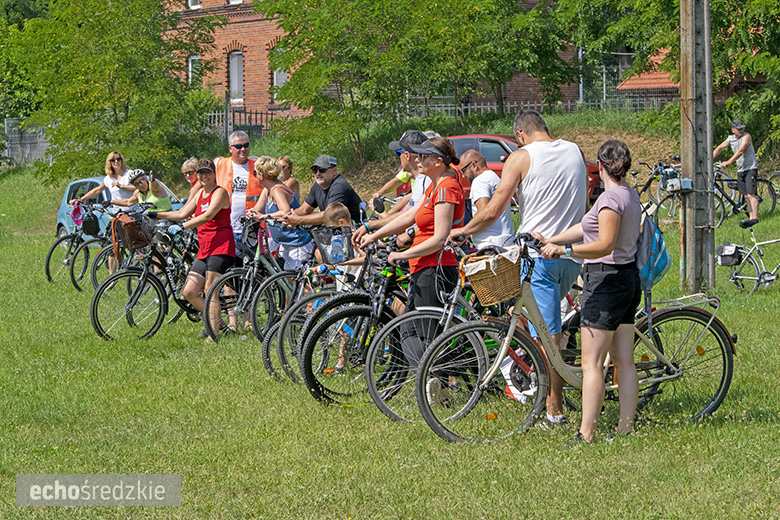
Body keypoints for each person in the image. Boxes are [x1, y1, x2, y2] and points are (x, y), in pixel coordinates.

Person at [447, 109, 588, 428]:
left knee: (547, 339)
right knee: (525, 321)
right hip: (569, 257)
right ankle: (545, 384)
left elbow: (494, 208)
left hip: (540, 258)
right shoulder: (575, 151)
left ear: (520, 135)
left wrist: (463, 231)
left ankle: (554, 412)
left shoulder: (521, 157)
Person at [536, 140, 642, 443]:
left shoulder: (610, 201)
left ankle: (586, 433)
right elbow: (586, 228)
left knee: (591, 364)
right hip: (626, 279)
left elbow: (604, 243)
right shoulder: (627, 195)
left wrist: (565, 249)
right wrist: (551, 239)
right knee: (624, 360)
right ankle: (624, 428)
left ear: (599, 165)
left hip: (606, 282)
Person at [361, 136, 465, 368]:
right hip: (423, 266)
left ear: (438, 161)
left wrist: (402, 254)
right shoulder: (435, 185)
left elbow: (440, 238)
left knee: (429, 335)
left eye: (424, 156)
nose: (418, 159)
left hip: (435, 268)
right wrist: (374, 234)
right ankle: (436, 378)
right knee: (409, 330)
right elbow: (409, 216)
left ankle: (441, 381)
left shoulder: (446, 187)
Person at [150, 158, 235, 336]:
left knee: (210, 290)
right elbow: (182, 213)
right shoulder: (199, 194)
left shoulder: (220, 192)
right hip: (205, 247)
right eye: (201, 173)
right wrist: (156, 214)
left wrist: (182, 227)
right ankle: (218, 324)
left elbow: (208, 216)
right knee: (189, 291)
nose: (204, 176)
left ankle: (214, 333)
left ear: (214, 174)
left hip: (221, 245)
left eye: (207, 172)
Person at [352, 130, 434, 249]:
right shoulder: (419, 181)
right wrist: (370, 226)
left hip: (425, 252)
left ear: (407, 155)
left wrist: (409, 234)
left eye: (398, 153)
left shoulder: (428, 181)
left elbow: (433, 221)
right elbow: (406, 215)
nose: (398, 158)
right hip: (415, 249)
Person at [247, 156, 314, 270]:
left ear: (261, 176)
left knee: (298, 280)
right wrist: (252, 212)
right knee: (287, 278)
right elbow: (258, 208)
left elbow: (285, 211)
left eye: (255, 173)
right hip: (285, 241)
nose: (255, 175)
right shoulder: (267, 189)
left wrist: (263, 216)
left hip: (297, 242)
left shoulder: (277, 190)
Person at [215, 130, 260, 259]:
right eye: (238, 146)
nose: (243, 149)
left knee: (250, 268)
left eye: (246, 145)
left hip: (251, 228)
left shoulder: (257, 167)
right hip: (226, 227)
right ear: (230, 148)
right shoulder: (219, 165)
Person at [281, 155, 362, 226]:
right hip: (333, 232)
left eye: (322, 170)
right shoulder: (317, 186)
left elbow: (329, 215)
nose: (318, 173)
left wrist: (297, 220)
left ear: (334, 171)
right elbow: (303, 210)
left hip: (353, 232)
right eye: (315, 170)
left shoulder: (340, 186)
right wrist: (287, 217)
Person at [459, 149, 515, 249]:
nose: (464, 175)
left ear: (474, 165)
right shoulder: (494, 177)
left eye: (464, 170)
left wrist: (464, 232)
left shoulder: (480, 181)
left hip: (489, 242)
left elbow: (483, 213)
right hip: (503, 240)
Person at [713, 119, 759, 223]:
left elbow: (741, 151)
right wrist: (709, 158)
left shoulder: (747, 136)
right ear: (733, 130)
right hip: (741, 169)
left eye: (742, 128)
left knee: (751, 194)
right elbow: (720, 148)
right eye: (739, 129)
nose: (741, 130)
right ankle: (750, 218)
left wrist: (728, 162)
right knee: (746, 195)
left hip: (750, 167)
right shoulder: (731, 139)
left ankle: (755, 218)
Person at [69, 151, 134, 208]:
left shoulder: (129, 174)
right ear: (110, 163)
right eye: (113, 160)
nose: (116, 161)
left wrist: (121, 186)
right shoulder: (108, 178)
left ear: (122, 161)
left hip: (133, 212)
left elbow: (138, 188)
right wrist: (80, 200)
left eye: (118, 159)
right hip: (118, 214)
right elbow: (97, 190)